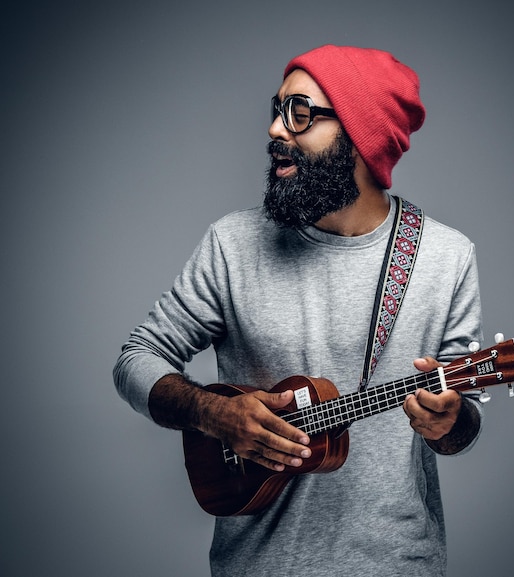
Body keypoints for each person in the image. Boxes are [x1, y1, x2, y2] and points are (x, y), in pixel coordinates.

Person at [114, 44, 484, 577]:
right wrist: (210, 412)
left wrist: (449, 420)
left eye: (300, 114)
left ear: (359, 137)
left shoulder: (445, 257)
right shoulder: (232, 245)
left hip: (397, 564)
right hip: (256, 566)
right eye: (278, 109)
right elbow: (135, 359)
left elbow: (462, 427)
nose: (274, 130)